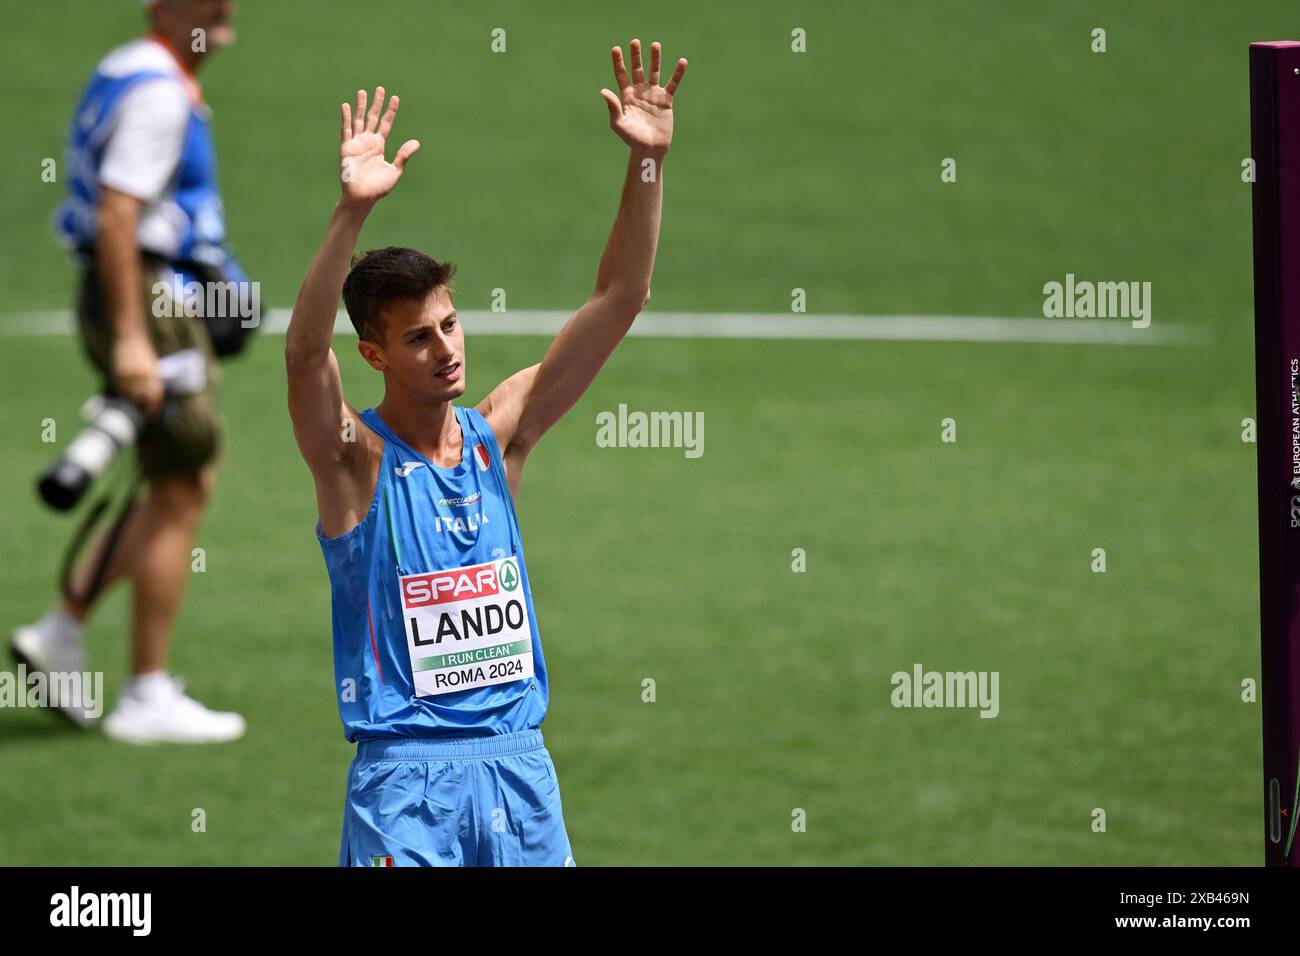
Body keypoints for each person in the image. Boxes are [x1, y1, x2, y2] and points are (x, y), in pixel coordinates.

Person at [285, 39, 687, 865]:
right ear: (374, 354)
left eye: (450, 323)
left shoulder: (501, 434)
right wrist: (351, 212)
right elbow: (300, 354)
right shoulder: (353, 461)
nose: (446, 349)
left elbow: (620, 299)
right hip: (403, 788)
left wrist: (646, 165)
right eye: (417, 338)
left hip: (519, 772)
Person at [11, 0, 247, 743]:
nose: (224, 17)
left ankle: (62, 631)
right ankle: (146, 693)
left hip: (135, 293)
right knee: (182, 484)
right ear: (168, 9)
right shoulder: (158, 91)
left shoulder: (126, 68)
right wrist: (134, 340)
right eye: (208, 8)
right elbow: (120, 214)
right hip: (147, 298)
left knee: (176, 479)